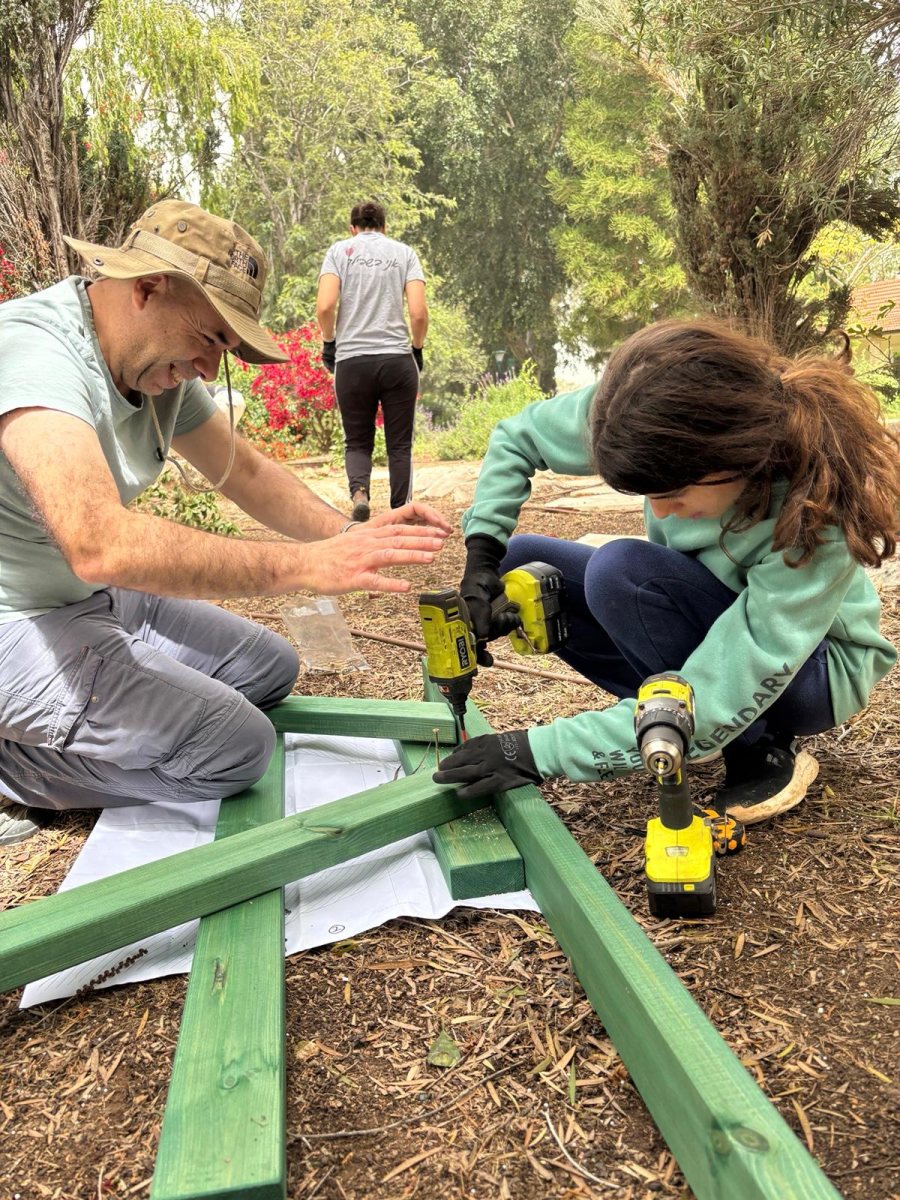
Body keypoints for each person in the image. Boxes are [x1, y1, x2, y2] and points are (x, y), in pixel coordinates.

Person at [0, 199, 450, 845]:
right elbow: (99, 544)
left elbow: (247, 474)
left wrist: (347, 538)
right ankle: (15, 768)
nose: (212, 368)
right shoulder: (34, 354)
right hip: (14, 616)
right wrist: (301, 567)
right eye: (212, 337)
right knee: (234, 750)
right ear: (147, 288)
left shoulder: (154, 367)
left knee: (265, 668)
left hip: (76, 598)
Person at [433, 318, 899, 822]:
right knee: (522, 564)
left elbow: (740, 665)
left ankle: (759, 743)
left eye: (673, 494)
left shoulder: (812, 519)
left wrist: (538, 751)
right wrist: (481, 559)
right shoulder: (642, 412)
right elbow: (516, 439)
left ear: (734, 453)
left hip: (812, 672)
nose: (662, 512)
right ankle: (660, 716)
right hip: (708, 619)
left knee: (622, 572)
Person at [316, 200, 427, 522]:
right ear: (384, 227)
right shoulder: (404, 253)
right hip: (396, 361)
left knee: (357, 442)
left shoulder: (339, 252)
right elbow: (418, 313)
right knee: (399, 446)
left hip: (352, 362)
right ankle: (401, 512)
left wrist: (329, 343)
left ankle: (360, 494)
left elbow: (325, 307)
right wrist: (416, 348)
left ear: (353, 229)